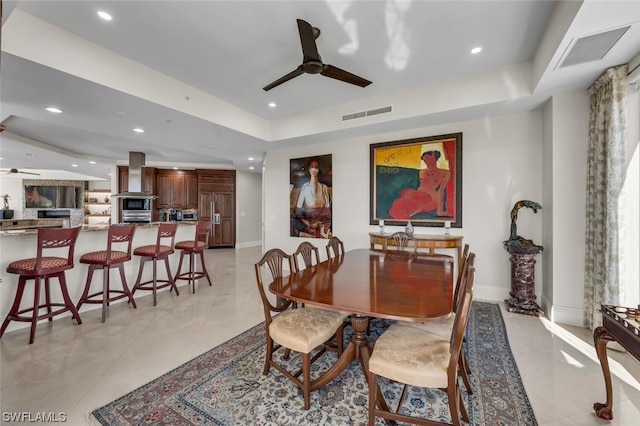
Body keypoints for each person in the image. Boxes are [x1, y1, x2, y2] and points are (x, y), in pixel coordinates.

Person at [388, 150, 451, 219]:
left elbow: (441, 190)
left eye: (427, 158)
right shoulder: (422, 172)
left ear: (433, 156)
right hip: (417, 195)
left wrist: (440, 210)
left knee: (407, 204)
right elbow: (421, 186)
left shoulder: (445, 173)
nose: (426, 161)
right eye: (424, 160)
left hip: (430, 197)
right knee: (399, 203)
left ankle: (407, 216)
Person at [292, 159, 332, 238]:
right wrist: (309, 224)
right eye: (312, 167)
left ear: (319, 169)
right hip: (307, 226)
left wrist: (318, 224)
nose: (314, 169)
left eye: (316, 167)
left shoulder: (324, 188)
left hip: (322, 225)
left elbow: (327, 214)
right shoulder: (304, 188)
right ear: (309, 169)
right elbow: (297, 212)